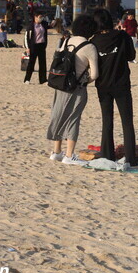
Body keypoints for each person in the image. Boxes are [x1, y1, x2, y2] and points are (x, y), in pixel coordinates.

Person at [46, 14, 99, 165]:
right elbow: (95, 74)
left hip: (60, 84)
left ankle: (56, 152)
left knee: (59, 115)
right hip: (76, 87)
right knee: (73, 119)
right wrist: (85, 80)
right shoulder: (89, 47)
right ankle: (69, 155)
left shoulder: (66, 41)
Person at [91, 8, 138, 167]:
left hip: (103, 85)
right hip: (121, 83)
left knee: (107, 120)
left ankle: (108, 155)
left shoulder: (94, 41)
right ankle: (131, 158)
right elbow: (131, 56)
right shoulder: (122, 36)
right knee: (127, 121)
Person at [23, 12, 49, 85]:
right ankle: (27, 79)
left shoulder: (43, 24)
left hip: (42, 45)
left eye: (42, 17)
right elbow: (26, 37)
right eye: (40, 17)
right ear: (35, 17)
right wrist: (27, 47)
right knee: (31, 63)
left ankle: (43, 80)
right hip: (33, 46)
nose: (41, 18)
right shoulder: (31, 26)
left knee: (42, 63)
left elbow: (49, 26)